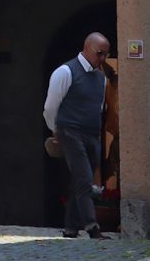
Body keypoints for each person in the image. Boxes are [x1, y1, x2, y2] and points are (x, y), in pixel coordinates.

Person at [44, 32, 111, 238]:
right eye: (100, 53)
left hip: (91, 135)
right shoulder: (65, 71)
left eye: (106, 55)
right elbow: (51, 105)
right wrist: (54, 129)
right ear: (87, 48)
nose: (103, 59)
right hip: (70, 131)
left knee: (79, 181)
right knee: (84, 180)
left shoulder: (101, 79)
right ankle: (92, 227)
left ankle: (70, 228)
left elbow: (99, 107)